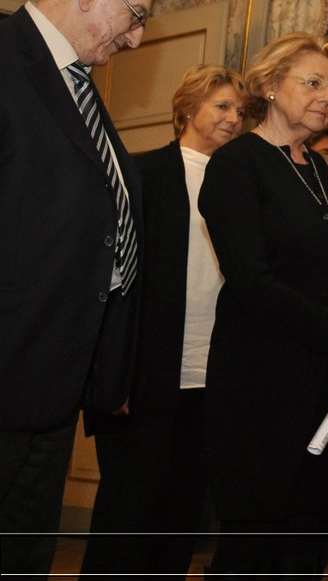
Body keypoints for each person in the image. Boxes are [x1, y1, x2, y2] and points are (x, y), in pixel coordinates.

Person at [197, 32, 328, 576]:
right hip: (262, 381)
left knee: (308, 549)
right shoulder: (237, 164)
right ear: (268, 85)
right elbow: (253, 283)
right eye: (312, 83)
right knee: (252, 551)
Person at [0, 0, 155, 578]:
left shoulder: (80, 88)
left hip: (53, 383)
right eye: (137, 15)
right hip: (8, 365)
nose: (138, 39)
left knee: (26, 555)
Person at [78, 64, 246, 578]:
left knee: (180, 518)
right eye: (222, 107)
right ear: (187, 110)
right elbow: (110, 283)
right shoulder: (141, 173)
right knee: (127, 516)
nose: (234, 119)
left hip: (211, 377)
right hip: (145, 375)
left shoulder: (242, 182)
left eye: (240, 111)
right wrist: (114, 373)